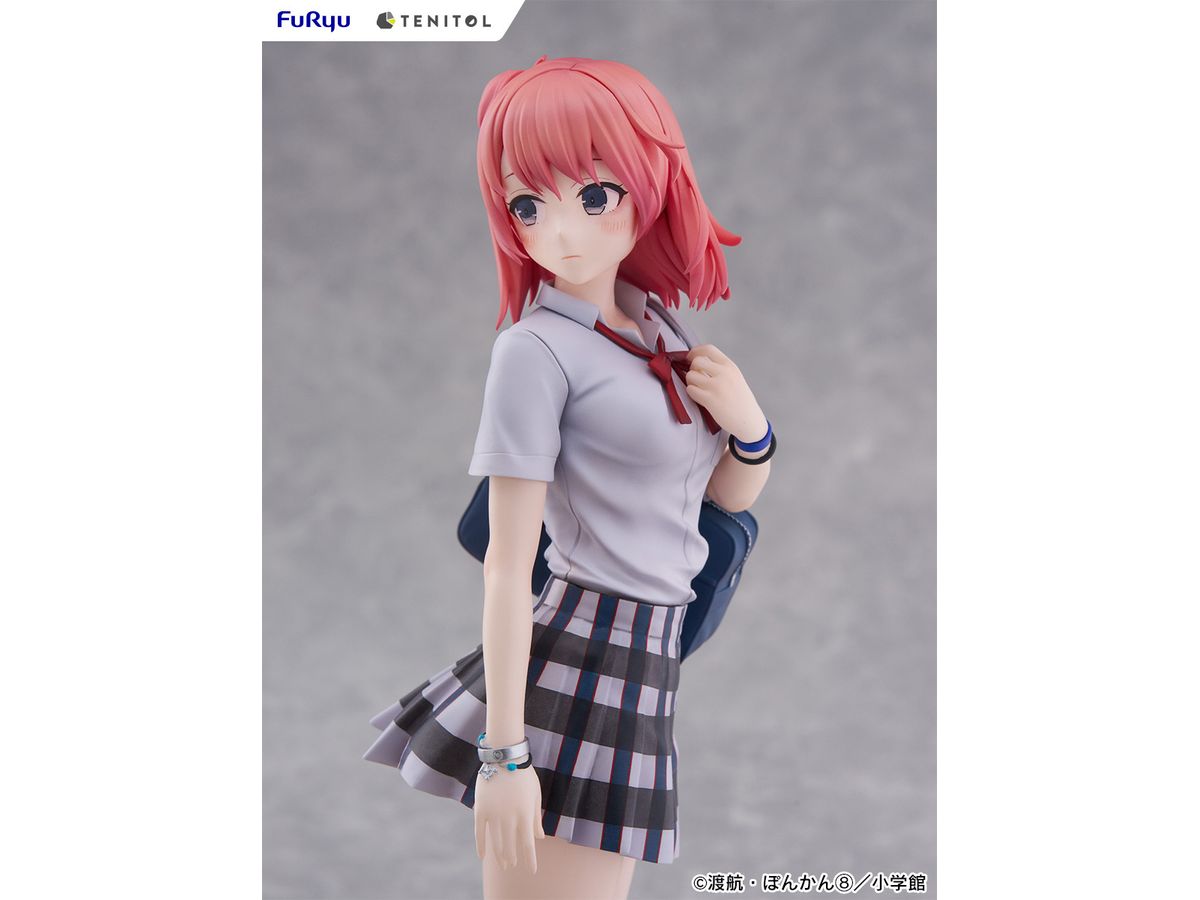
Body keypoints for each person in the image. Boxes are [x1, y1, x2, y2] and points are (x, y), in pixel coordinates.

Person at [364, 55, 774, 900]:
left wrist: (753, 433)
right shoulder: (535, 351)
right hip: (580, 649)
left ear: (649, 183)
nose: (561, 232)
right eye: (527, 205)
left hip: (649, 655)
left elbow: (715, 508)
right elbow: (507, 566)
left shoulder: (658, 331)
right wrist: (505, 756)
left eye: (593, 195)